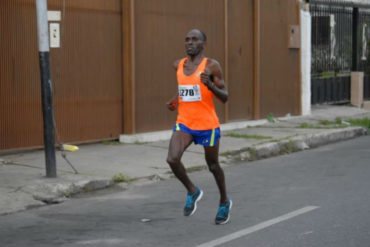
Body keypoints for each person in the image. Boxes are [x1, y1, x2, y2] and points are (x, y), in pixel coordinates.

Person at [166, 29, 231, 225]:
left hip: (207, 125)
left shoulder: (212, 66)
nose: (190, 42)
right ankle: (193, 191)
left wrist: (210, 86)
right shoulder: (178, 65)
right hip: (185, 123)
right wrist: (175, 100)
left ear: (203, 43)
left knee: (213, 165)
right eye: (187, 39)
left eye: (194, 39)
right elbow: (187, 89)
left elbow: (225, 97)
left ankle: (224, 201)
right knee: (172, 159)